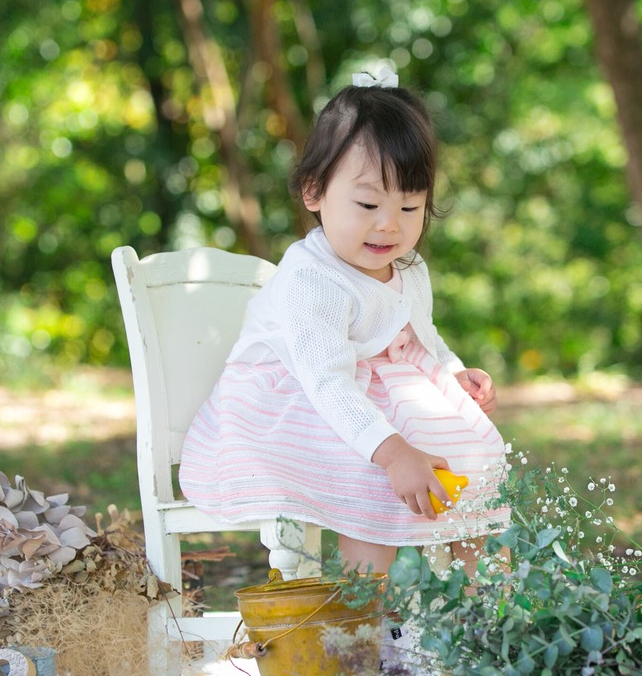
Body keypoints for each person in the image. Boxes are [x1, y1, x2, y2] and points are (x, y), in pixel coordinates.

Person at [179, 70, 508, 574]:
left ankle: (485, 602)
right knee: (371, 474)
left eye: (409, 206)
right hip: (297, 403)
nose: (389, 224)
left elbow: (423, 334)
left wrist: (453, 371)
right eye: (368, 204)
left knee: (466, 454)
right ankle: (367, 607)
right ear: (314, 192)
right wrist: (393, 454)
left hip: (373, 392)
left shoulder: (409, 268)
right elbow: (327, 382)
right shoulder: (313, 277)